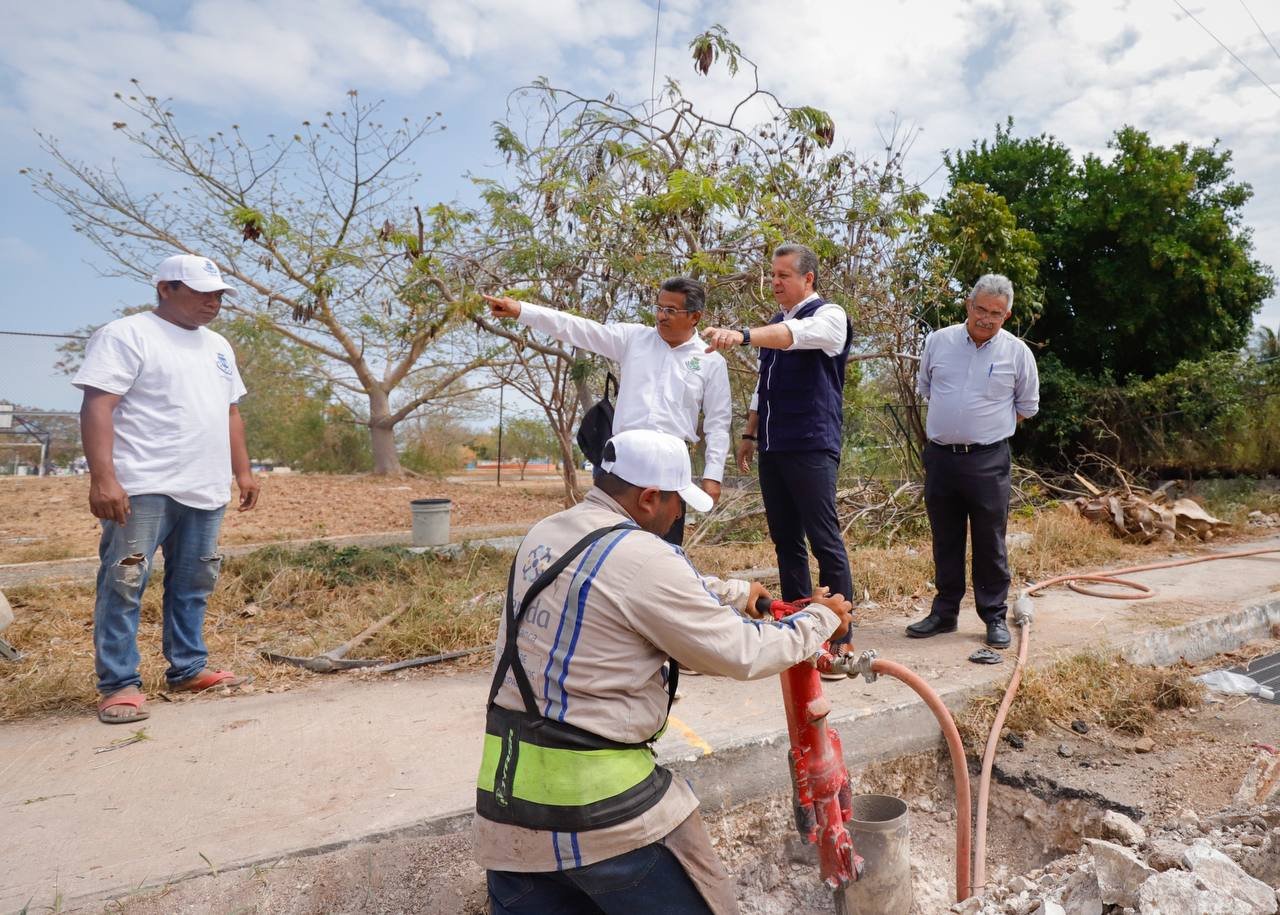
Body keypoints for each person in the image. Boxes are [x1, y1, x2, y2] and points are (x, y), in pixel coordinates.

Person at [474, 429, 853, 914]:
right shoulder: (643, 557)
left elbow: (626, 583)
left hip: (506, 815)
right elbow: (740, 651)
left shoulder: (548, 532)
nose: (679, 516)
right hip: (601, 812)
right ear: (650, 497)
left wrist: (735, 593)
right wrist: (819, 620)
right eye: (679, 503)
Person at [74, 254, 260, 724]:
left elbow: (230, 412)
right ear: (165, 288)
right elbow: (97, 405)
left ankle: (188, 668)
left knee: (195, 582)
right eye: (202, 293)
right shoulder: (126, 335)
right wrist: (104, 478)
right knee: (124, 582)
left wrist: (243, 472)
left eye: (218, 295)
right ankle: (119, 684)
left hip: (205, 485)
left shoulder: (218, 345)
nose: (213, 302)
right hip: (143, 485)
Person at [482, 277, 731, 546]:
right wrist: (522, 310)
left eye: (671, 310)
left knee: (664, 546)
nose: (661, 316)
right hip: (621, 462)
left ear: (695, 316)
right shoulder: (634, 339)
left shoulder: (711, 361)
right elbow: (577, 328)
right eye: (659, 308)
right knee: (608, 540)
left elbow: (718, 423)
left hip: (670, 468)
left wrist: (712, 476)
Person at [703, 243, 855, 674]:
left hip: (811, 444)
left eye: (784, 275)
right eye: (772, 275)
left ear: (808, 279)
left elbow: (795, 337)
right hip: (773, 446)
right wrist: (749, 433)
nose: (775, 282)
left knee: (824, 540)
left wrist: (742, 334)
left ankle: (841, 635)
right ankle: (798, 627)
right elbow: (763, 383)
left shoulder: (829, 316)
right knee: (786, 541)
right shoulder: (776, 322)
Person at [907, 274, 1040, 649]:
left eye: (996, 313)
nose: (986, 318)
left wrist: (986, 429)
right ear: (968, 305)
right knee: (945, 538)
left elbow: (1027, 406)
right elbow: (927, 388)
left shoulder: (1017, 353)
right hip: (941, 458)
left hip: (988, 460)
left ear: (1006, 315)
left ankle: (994, 616)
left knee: (989, 541)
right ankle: (944, 613)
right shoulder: (938, 341)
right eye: (980, 309)